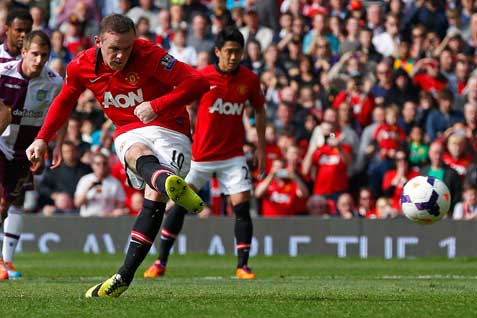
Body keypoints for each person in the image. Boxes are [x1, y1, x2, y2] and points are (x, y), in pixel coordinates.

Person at [26, 14, 209, 298]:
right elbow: (64, 101)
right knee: (136, 153)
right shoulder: (81, 66)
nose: (121, 55)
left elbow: (197, 83)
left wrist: (157, 104)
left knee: (153, 197)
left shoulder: (149, 54)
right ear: (98, 42)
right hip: (128, 129)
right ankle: (165, 182)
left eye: (127, 47)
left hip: (171, 127)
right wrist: (42, 139)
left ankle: (124, 275)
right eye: (114, 48)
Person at [143, 26, 266, 280]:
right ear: (218, 51)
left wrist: (261, 147)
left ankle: (243, 266)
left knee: (242, 208)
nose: (233, 57)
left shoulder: (250, 80)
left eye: (238, 52)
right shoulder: (203, 77)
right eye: (229, 52)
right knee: (178, 206)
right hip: (199, 156)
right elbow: (182, 102)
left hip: (232, 156)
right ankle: (160, 262)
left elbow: (260, 110)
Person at [0, 31, 64, 280]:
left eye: (44, 56)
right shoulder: (3, 73)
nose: (39, 60)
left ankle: (7, 260)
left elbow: (60, 112)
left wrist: (56, 144)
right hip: (2, 144)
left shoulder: (54, 81)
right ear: (24, 52)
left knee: (8, 204)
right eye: (34, 54)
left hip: (27, 149)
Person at [74, 153, 127, 217]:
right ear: (92, 165)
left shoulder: (115, 183)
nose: (101, 166)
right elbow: (77, 203)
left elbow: (121, 203)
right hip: (88, 219)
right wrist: (88, 189)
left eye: (104, 163)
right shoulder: (85, 180)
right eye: (98, 164)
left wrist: (113, 213)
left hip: (107, 220)